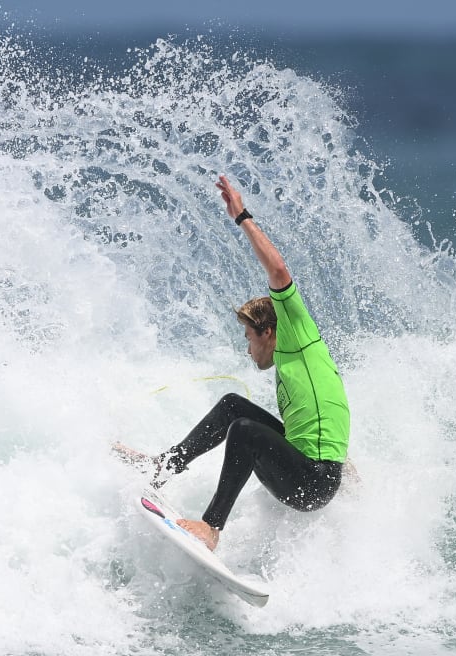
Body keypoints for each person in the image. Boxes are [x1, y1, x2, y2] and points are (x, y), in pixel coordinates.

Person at [115, 175, 351, 551]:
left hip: (312, 483)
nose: (248, 350)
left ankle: (211, 528)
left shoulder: (298, 339)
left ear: (268, 331)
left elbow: (279, 273)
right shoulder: (301, 367)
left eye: (249, 338)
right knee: (232, 405)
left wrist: (241, 215)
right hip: (310, 471)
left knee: (244, 429)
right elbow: (326, 418)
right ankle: (165, 465)